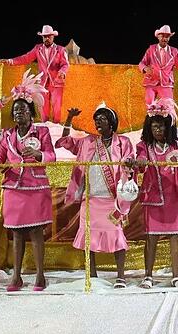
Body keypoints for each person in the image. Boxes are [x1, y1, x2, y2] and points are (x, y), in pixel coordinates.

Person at [0, 72, 54, 292]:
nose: (18, 114)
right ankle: (16, 276)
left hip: (35, 188)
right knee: (16, 233)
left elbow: (51, 156)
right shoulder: (7, 135)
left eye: (22, 110)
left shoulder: (42, 131)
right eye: (15, 111)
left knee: (36, 232)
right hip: (13, 188)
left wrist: (38, 154)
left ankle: (40, 276)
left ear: (30, 112)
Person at [58, 103, 135, 289]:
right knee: (88, 236)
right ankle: (92, 274)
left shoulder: (123, 142)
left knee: (117, 235)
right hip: (91, 198)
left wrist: (130, 165)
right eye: (96, 120)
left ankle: (121, 277)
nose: (98, 123)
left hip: (112, 199)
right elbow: (66, 142)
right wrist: (69, 120)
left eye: (102, 119)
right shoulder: (88, 142)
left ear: (112, 122)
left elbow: (131, 160)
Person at [128, 98, 178, 288]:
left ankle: (176, 276)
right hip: (153, 198)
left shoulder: (177, 145)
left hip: (173, 198)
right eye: (154, 126)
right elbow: (141, 159)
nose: (157, 130)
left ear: (169, 127)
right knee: (152, 238)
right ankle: (148, 276)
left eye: (161, 126)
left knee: (176, 236)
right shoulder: (144, 146)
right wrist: (140, 162)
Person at [6, 25, 69, 123]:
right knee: (43, 106)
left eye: (49, 36)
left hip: (56, 82)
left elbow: (65, 64)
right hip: (43, 83)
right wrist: (11, 61)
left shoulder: (60, 50)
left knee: (57, 107)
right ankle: (45, 125)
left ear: (53, 36)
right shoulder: (37, 48)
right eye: (45, 36)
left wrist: (62, 72)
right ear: (42, 37)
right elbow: (26, 58)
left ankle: (57, 127)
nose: (47, 38)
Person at [138, 25, 178, 106]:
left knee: (169, 107)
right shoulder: (151, 49)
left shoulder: (174, 51)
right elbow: (142, 63)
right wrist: (145, 68)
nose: (165, 39)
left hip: (166, 83)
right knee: (150, 105)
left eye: (167, 37)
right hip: (151, 82)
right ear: (158, 36)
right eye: (163, 36)